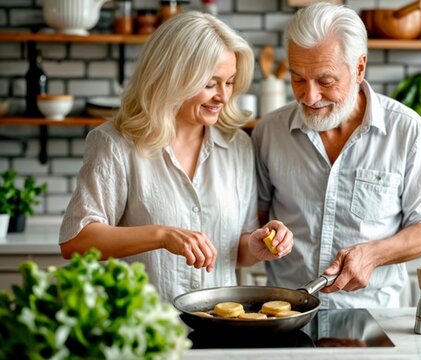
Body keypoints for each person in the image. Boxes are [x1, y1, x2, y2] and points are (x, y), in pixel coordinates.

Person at [59, 12, 293, 302]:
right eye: (210, 83)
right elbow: (76, 241)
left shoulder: (237, 146)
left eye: (229, 82)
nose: (223, 96)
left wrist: (259, 246)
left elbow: (239, 252)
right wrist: (161, 236)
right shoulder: (115, 143)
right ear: (172, 78)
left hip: (219, 333)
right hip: (145, 330)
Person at [252, 2, 421, 309]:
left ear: (359, 68)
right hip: (285, 315)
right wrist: (263, 237)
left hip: (373, 317)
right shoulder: (269, 132)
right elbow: (253, 224)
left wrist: (373, 253)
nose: (310, 97)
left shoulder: (406, 131)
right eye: (298, 79)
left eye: (325, 82)